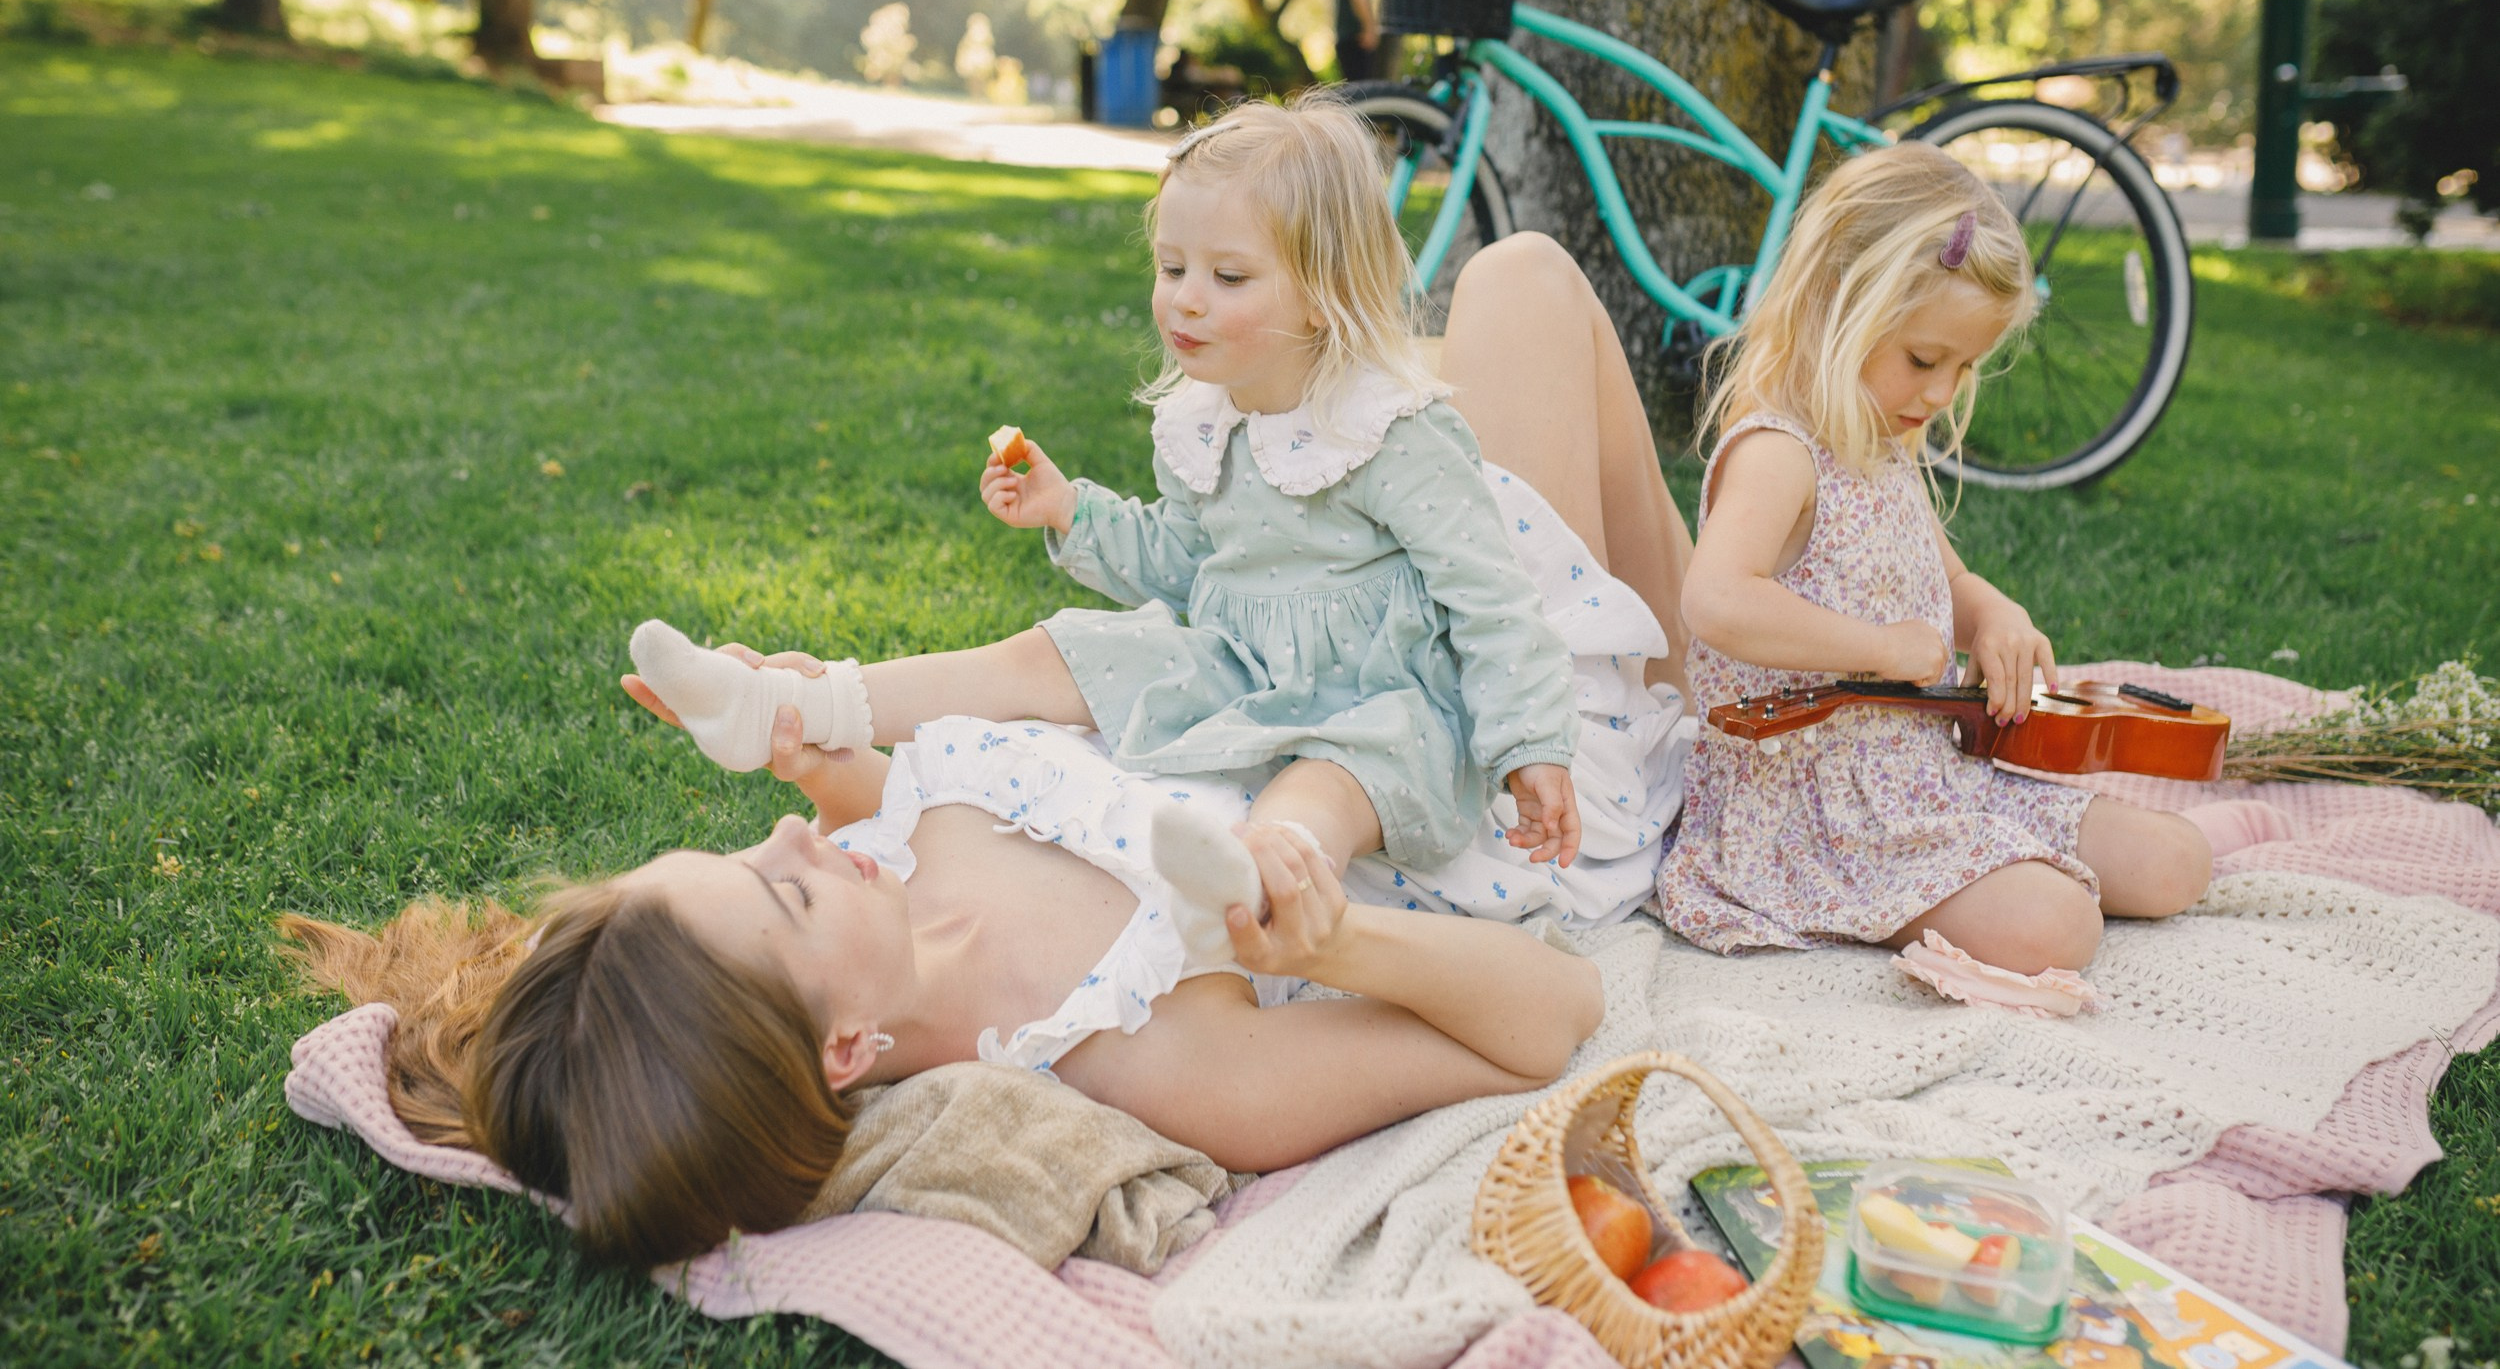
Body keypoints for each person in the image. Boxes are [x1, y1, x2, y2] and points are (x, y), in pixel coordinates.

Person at [281, 231, 1700, 1273]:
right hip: (1507, 744)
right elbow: (1554, 1011)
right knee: (1525, 287)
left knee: (1486, 317)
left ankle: (1719, 650)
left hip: (1320, 638)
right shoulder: (1149, 1050)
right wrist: (1335, 948)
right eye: (781, 889)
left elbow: (877, 769)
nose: (786, 839)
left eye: (738, 845)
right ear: (846, 1047)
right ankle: (1715, 678)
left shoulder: (890, 853)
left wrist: (794, 713)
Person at [629, 96, 1650, 948]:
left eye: (1228, 276)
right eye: (1172, 268)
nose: (1185, 300)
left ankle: (1263, 871)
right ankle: (796, 703)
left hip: (1389, 699)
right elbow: (1182, 561)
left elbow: (1492, 598)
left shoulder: (1387, 431)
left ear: (1323, 293)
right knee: (1067, 650)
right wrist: (1072, 508)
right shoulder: (1212, 416)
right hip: (1246, 663)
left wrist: (1528, 744)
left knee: (1332, 779)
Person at [1652, 143, 2240, 979]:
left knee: (2177, 859)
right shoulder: (1779, 454)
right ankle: (1907, 897)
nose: (1937, 393)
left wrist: (1998, 615)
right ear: (1833, 305)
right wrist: (1880, 646)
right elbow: (1716, 600)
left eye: (1962, 367)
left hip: (1921, 776)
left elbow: (1951, 584)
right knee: (2058, 929)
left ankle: (1971, 875)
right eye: (1924, 359)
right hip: (1811, 807)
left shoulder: (1882, 447)